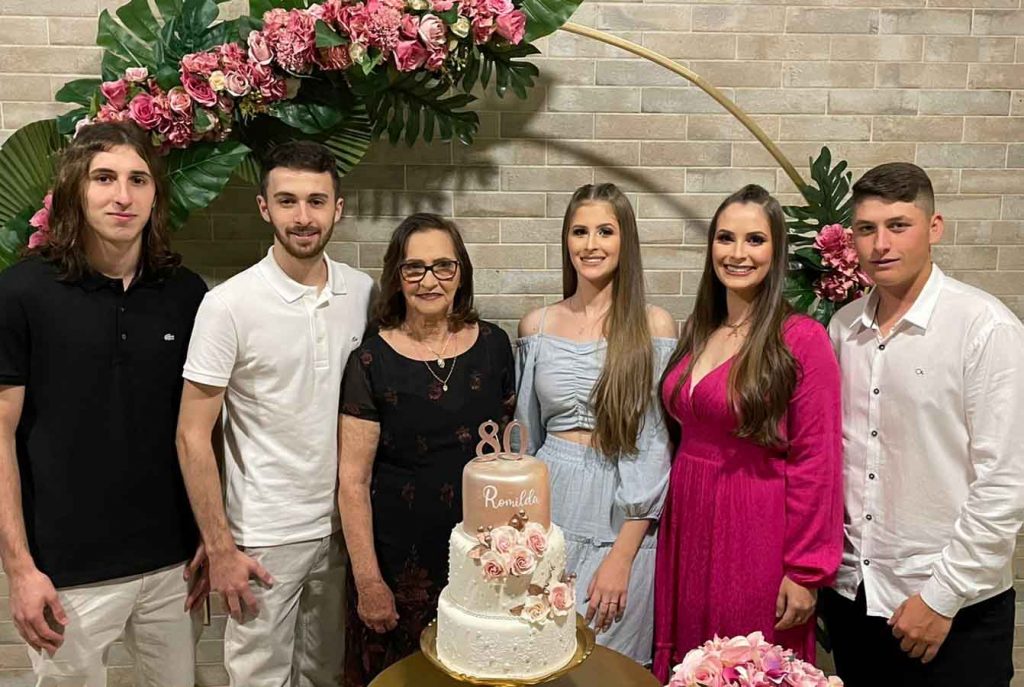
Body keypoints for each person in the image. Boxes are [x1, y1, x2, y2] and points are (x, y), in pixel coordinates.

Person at [0, 121, 207, 686]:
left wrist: (211, 536)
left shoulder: (186, 294)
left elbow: (202, 429)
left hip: (172, 564)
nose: (123, 196)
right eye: (104, 178)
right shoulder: (21, 293)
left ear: (155, 194)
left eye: (138, 179)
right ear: (75, 189)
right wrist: (19, 569)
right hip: (66, 572)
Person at [176, 141, 373, 685]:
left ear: (338, 208)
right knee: (258, 678)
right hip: (262, 534)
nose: (303, 217)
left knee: (325, 674)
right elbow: (192, 435)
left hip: (341, 529)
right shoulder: (227, 305)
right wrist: (220, 545)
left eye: (316, 201)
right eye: (287, 201)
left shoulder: (363, 293)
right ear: (264, 207)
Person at [820, 163, 1024, 687]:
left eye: (898, 225)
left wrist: (941, 597)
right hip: (855, 597)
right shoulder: (843, 328)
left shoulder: (985, 329)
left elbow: (1005, 482)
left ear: (934, 227)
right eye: (866, 229)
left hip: (953, 610)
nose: (880, 244)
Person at [652, 184, 844, 681]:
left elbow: (817, 461)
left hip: (754, 529)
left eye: (755, 240)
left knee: (746, 664)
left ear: (776, 251)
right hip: (689, 521)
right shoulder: (700, 329)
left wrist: (805, 571)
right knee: (693, 664)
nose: (737, 253)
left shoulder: (801, 339)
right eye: (725, 238)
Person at [338, 213, 516, 685]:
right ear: (397, 277)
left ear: (461, 272)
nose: (429, 280)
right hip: (399, 568)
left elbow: (509, 457)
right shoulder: (370, 360)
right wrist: (369, 581)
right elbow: (353, 482)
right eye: (414, 268)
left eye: (443, 266)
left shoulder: (495, 346)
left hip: (482, 560)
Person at [514, 183, 676, 665]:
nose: (591, 244)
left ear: (625, 240)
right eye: (579, 232)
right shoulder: (536, 326)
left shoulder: (653, 325)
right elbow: (525, 436)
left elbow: (654, 445)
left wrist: (622, 557)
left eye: (605, 231)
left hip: (620, 512)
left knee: (610, 664)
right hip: (550, 503)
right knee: (540, 656)